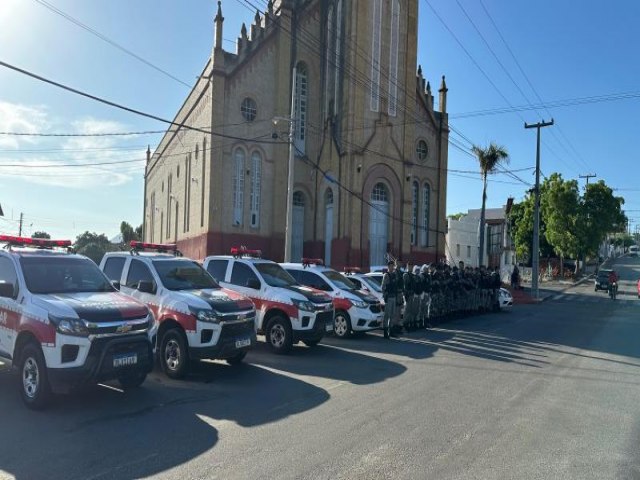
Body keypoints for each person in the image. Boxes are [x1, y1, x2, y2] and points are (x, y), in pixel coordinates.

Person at [381, 260, 402, 338]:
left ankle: (391, 331)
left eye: (393, 266)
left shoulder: (394, 275)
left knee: (393, 315)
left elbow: (395, 286)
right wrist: (385, 296)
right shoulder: (386, 275)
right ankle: (386, 332)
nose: (393, 267)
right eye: (391, 266)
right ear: (388, 266)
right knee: (387, 315)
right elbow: (383, 287)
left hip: (394, 297)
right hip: (389, 298)